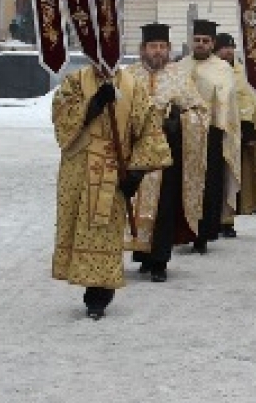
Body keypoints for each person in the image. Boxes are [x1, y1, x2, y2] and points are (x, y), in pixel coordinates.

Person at [51, 51, 171, 318]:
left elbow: (150, 131)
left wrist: (136, 174)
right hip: (79, 172)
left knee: (105, 231)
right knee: (80, 227)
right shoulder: (74, 81)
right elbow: (61, 118)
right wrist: (91, 107)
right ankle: (88, 286)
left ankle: (99, 295)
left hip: (114, 171)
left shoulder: (132, 86)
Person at [124, 24, 209, 283]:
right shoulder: (129, 76)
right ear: (143, 49)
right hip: (135, 153)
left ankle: (160, 260)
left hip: (166, 153)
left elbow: (201, 112)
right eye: (153, 47)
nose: (158, 52)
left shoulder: (179, 76)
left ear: (169, 49)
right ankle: (143, 255)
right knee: (136, 204)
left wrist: (180, 121)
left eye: (162, 47)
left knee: (163, 207)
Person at [178, 20, 241, 252]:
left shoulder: (223, 69)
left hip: (211, 134)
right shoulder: (181, 65)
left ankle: (203, 233)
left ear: (212, 43)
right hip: (183, 134)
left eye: (206, 41)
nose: (201, 44)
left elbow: (226, 102)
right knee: (182, 183)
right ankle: (184, 229)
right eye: (197, 40)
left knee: (208, 185)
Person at [215, 32, 256, 233]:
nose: (228, 51)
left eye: (231, 47)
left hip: (238, 131)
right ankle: (213, 218)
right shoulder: (212, 70)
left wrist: (249, 129)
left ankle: (228, 219)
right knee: (216, 176)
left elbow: (249, 99)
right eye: (224, 47)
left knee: (232, 176)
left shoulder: (243, 71)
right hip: (215, 130)